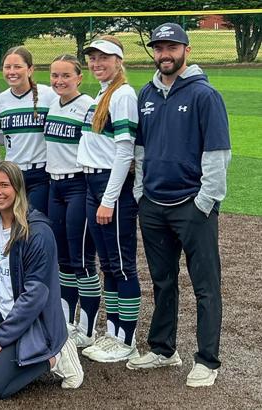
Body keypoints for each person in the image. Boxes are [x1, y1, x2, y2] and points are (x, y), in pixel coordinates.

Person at [128, 23, 230, 388]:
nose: (164, 54)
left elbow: (218, 152)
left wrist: (206, 200)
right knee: (162, 280)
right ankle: (163, 348)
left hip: (192, 204)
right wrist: (141, 192)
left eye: (171, 47)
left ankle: (207, 359)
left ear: (186, 49)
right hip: (154, 204)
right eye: (159, 48)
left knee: (205, 285)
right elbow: (140, 149)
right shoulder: (147, 94)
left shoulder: (205, 95)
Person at [0, 161, 83, 400]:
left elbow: (34, 297)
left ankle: (55, 356)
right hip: (0, 308)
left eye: (5, 185)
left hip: (34, 319)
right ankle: (5, 349)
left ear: (18, 189)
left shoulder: (37, 233)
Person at [77, 36, 141, 362]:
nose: (97, 63)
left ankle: (126, 338)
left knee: (122, 266)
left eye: (105, 58)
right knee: (109, 267)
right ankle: (113, 332)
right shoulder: (104, 93)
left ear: (119, 61)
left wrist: (109, 199)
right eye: (93, 58)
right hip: (94, 183)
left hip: (108, 186)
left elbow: (124, 152)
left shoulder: (123, 94)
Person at [44, 54, 100, 348]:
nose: (59, 81)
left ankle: (88, 329)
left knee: (82, 260)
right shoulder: (53, 104)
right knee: (63, 259)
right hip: (55, 185)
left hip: (78, 185)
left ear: (79, 78)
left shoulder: (88, 106)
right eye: (55, 75)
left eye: (66, 76)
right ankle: (67, 321)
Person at [0, 47, 57, 215]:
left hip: (41, 173)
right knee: (12, 223)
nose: (12, 71)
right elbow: (2, 136)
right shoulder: (1, 99)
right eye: (7, 67)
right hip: (12, 173)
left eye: (17, 67)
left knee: (35, 221)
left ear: (30, 69)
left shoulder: (49, 95)